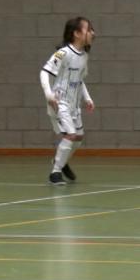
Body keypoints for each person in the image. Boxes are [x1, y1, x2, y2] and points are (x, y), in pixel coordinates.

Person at [39, 17, 96, 186]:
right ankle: (55, 172)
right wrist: (49, 95)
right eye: (88, 29)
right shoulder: (63, 53)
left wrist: (87, 98)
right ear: (77, 34)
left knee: (78, 137)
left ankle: (61, 162)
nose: (92, 33)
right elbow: (44, 73)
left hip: (74, 104)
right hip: (59, 101)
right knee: (70, 135)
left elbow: (79, 80)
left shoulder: (84, 55)